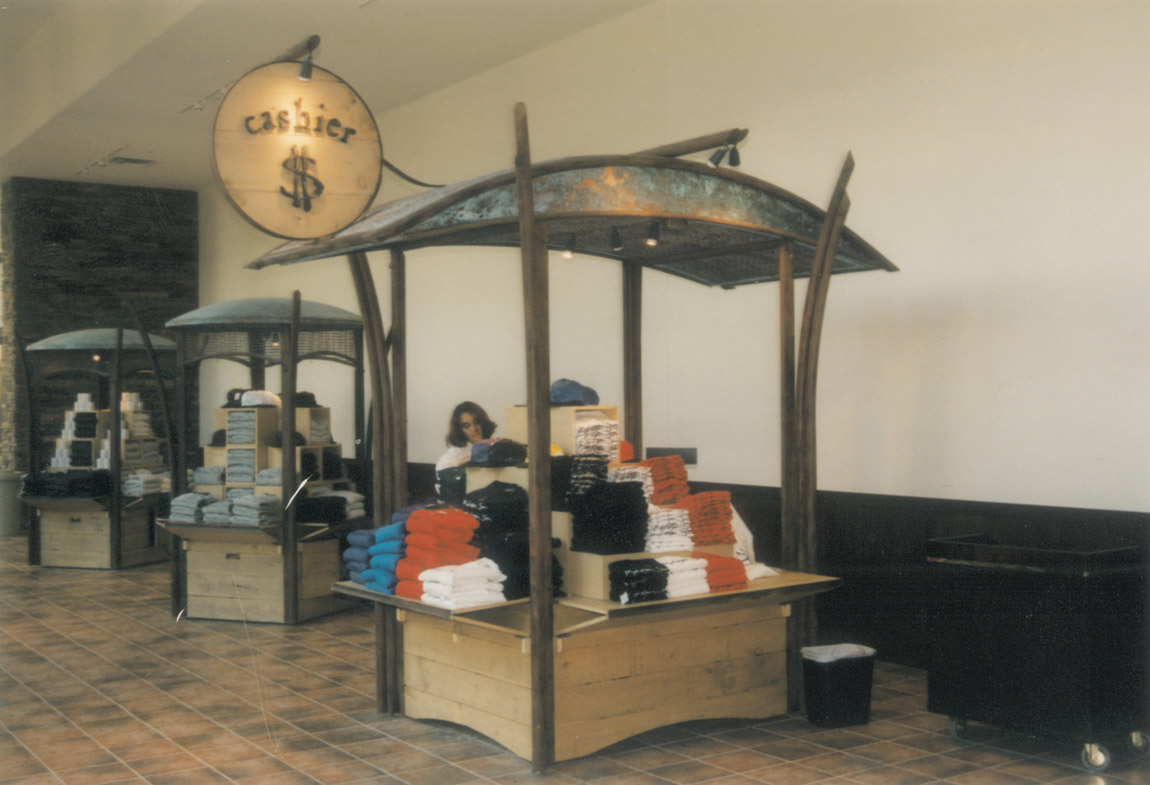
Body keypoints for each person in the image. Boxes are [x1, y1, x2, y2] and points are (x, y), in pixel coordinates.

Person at [435, 401, 497, 500]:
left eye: (477, 422)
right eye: (466, 426)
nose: (473, 429)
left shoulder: (494, 445)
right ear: (459, 429)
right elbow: (446, 494)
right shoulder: (449, 459)